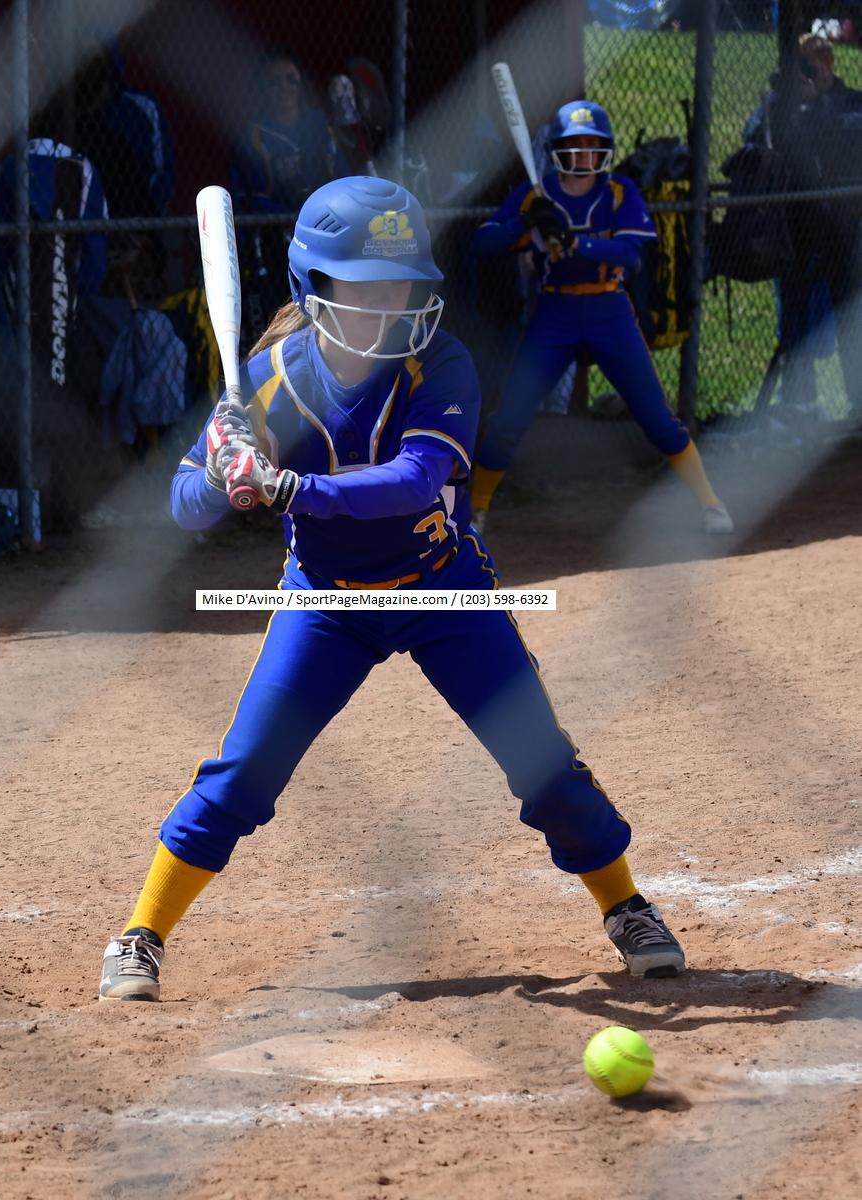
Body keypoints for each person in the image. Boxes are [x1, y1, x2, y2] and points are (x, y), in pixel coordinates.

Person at [97, 175, 687, 1002]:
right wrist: (224, 474)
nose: (389, 303)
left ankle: (626, 906)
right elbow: (183, 505)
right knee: (245, 771)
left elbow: (414, 482)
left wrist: (286, 487)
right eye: (365, 286)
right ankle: (141, 933)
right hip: (327, 604)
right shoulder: (267, 380)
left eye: (401, 285)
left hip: (443, 590)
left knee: (543, 763)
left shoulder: (438, 363)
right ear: (314, 286)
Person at [469, 100, 734, 536]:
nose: (585, 155)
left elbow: (629, 253)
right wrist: (526, 223)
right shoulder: (538, 195)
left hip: (609, 310)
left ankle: (710, 503)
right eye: (575, 146)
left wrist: (576, 243)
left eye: (593, 146)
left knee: (657, 417)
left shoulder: (619, 192)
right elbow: (483, 243)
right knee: (509, 418)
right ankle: (476, 512)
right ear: (557, 150)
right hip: (554, 313)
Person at [743, 33, 862, 419]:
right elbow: (752, 138)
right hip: (796, 225)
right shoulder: (782, 105)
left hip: (846, 225)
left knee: (850, 315)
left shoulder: (852, 101)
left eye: (817, 63)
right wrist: (780, 103)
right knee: (793, 313)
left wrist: (817, 106)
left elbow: (846, 141)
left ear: (829, 63)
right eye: (804, 66)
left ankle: (857, 403)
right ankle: (800, 401)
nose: (813, 72)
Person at [229, 49, 349, 346]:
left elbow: (341, 178)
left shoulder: (318, 126)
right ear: (263, 90)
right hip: (273, 239)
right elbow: (251, 198)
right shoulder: (254, 134)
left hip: (324, 231)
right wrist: (292, 216)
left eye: (290, 80)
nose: (284, 88)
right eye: (274, 82)